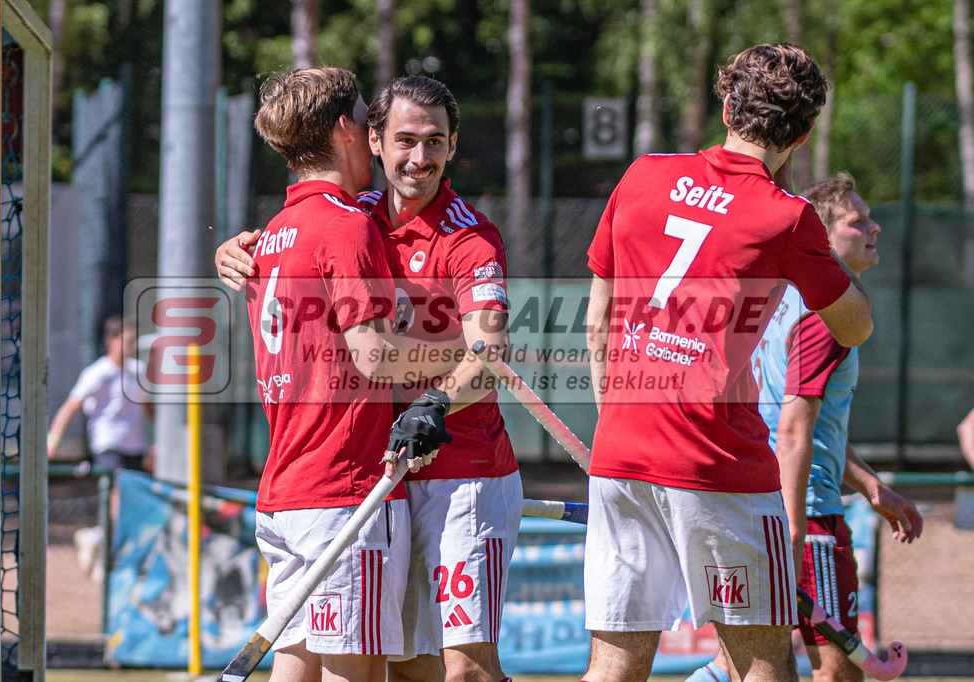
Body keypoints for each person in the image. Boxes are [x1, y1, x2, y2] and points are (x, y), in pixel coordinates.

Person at [583, 44, 873, 681]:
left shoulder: (643, 174)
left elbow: (597, 320)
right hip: (718, 465)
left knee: (613, 667)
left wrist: (615, 427)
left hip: (620, 453)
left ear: (726, 104)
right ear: (803, 131)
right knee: (762, 668)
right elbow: (857, 324)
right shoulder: (787, 216)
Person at [217, 75, 520, 682]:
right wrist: (234, 249)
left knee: (464, 669)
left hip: (465, 475)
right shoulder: (353, 218)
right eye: (406, 140)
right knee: (409, 668)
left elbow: (487, 358)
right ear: (372, 141)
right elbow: (299, 242)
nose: (421, 158)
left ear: (454, 146)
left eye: (436, 142)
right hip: (385, 477)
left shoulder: (472, 239)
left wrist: (437, 399)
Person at [688, 173, 923, 682]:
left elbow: (797, 422)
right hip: (805, 517)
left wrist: (869, 484)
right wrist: (794, 533)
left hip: (756, 504)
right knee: (835, 672)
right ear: (823, 237)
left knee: (738, 664)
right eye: (857, 221)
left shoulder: (785, 299)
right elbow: (794, 428)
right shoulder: (827, 313)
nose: (875, 227)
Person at [47, 315, 153, 579]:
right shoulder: (97, 373)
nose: (131, 346)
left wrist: (159, 443)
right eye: (126, 340)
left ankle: (96, 541)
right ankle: (107, 559)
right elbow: (69, 408)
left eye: (133, 340)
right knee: (116, 503)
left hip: (135, 448)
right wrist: (53, 440)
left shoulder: (138, 372)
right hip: (108, 447)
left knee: (131, 507)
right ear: (111, 341)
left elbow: (149, 410)